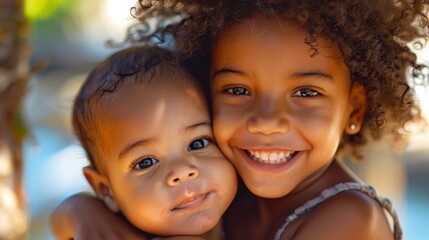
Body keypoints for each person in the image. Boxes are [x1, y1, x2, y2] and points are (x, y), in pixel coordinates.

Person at [51, 0, 429, 239]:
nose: (267, 122)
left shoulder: (350, 221)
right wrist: (77, 210)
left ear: (354, 110)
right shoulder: (222, 185)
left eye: (306, 93)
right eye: (237, 90)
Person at [50, 46, 237, 239]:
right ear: (106, 190)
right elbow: (60, 221)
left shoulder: (253, 208)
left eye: (198, 143)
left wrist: (77, 209)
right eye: (146, 162)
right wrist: (79, 209)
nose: (182, 171)